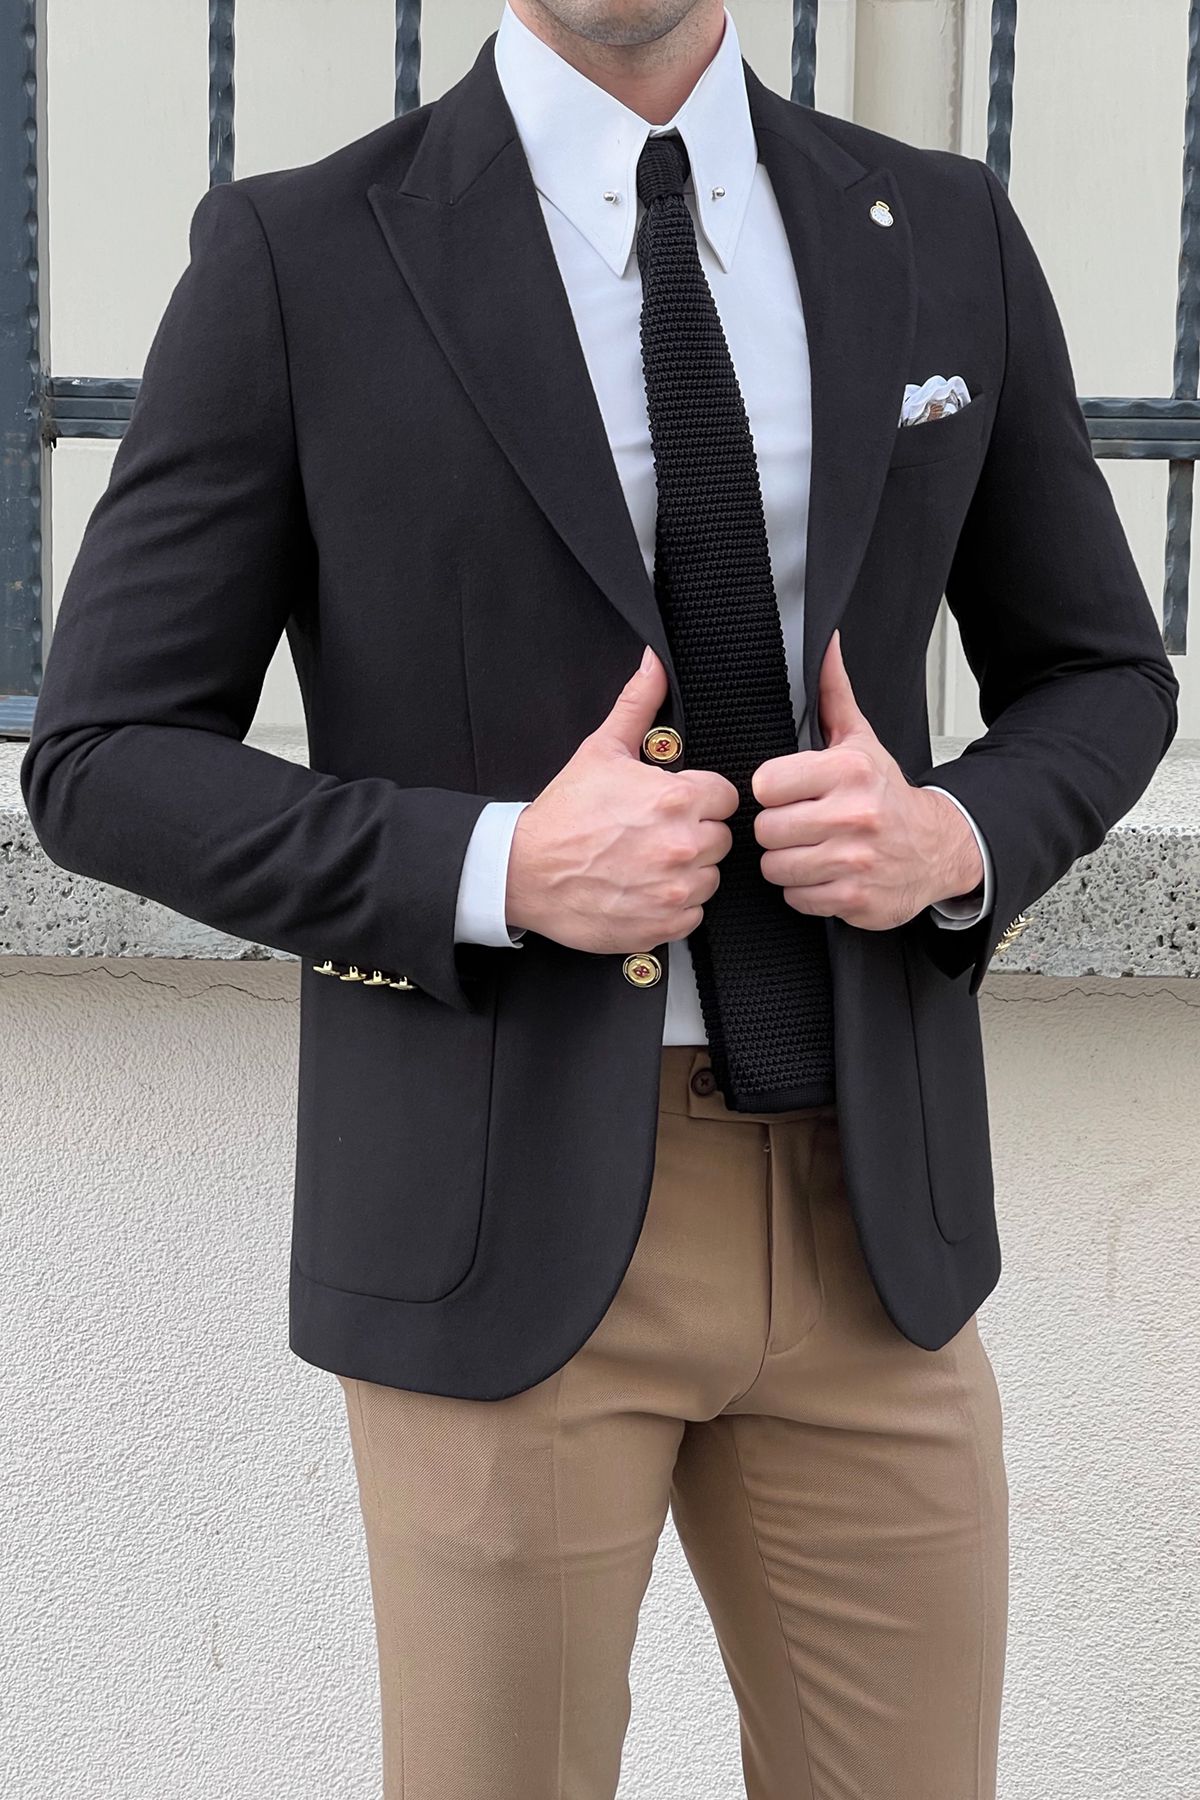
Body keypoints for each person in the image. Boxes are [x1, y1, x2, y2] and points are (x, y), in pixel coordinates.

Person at [20, 2, 1179, 1795]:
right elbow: (101, 754)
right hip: (504, 1214)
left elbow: (1103, 674)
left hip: (875, 1216)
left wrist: (954, 840)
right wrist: (494, 866)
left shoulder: (940, 228)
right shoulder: (303, 256)